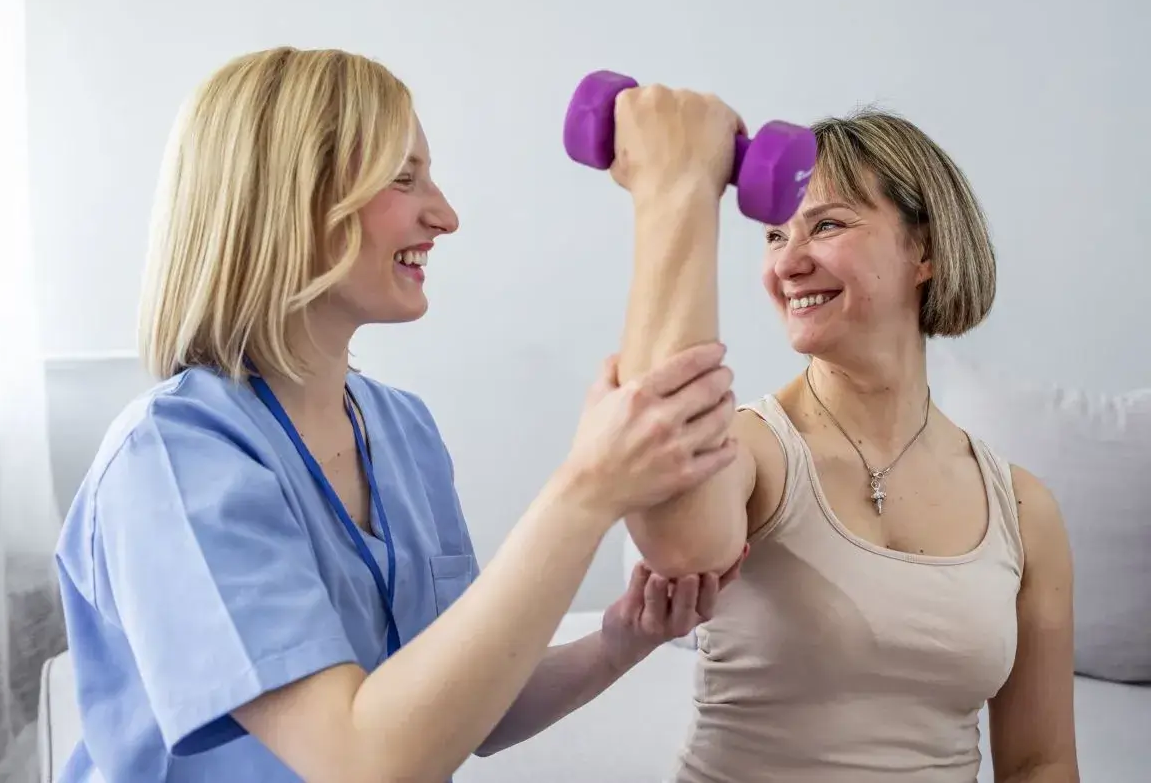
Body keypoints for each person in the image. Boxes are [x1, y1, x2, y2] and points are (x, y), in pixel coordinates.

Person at [52, 47, 746, 783]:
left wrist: (620, 641)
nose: (444, 215)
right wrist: (585, 492)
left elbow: (459, 707)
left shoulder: (400, 430)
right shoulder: (174, 461)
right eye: (402, 178)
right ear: (289, 200)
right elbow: (360, 762)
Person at [609, 87, 1079, 782]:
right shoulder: (751, 453)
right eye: (774, 235)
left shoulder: (1023, 509)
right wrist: (676, 193)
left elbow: (1040, 762)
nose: (787, 262)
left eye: (825, 225)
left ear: (924, 249)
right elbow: (676, 540)